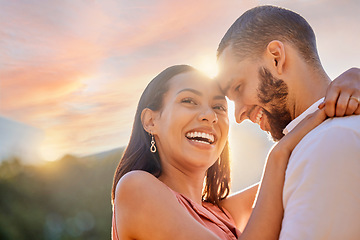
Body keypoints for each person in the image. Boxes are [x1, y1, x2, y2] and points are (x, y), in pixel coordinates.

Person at [111, 64, 359, 240]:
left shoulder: (223, 213)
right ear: (150, 121)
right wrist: (277, 153)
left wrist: (347, 84)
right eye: (189, 100)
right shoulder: (135, 188)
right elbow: (285, 164)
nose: (209, 116)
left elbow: (307, 164)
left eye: (218, 106)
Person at [216, 5, 360, 239]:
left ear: (276, 57)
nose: (238, 116)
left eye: (239, 87)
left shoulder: (329, 143)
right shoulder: (306, 149)